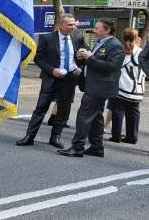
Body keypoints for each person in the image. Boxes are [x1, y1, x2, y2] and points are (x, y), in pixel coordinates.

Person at [16, 14, 85, 149]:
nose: (73, 27)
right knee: (41, 108)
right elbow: (38, 58)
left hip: (70, 79)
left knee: (63, 110)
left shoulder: (78, 37)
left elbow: (85, 54)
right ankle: (30, 136)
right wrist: (52, 70)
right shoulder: (47, 38)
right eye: (70, 25)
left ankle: (55, 137)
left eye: (74, 24)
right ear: (60, 25)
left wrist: (81, 67)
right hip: (51, 78)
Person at [58, 19, 125, 158]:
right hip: (92, 85)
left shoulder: (116, 46)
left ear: (107, 30)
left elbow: (110, 67)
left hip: (100, 87)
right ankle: (97, 147)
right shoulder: (102, 43)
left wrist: (90, 58)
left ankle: (77, 147)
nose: (94, 30)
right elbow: (94, 62)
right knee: (96, 118)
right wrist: (83, 57)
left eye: (97, 28)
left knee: (84, 116)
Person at [108, 28, 144, 144]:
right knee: (134, 113)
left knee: (117, 111)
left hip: (122, 88)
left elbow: (114, 67)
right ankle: (132, 137)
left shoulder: (122, 51)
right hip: (138, 90)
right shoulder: (141, 52)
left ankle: (116, 136)